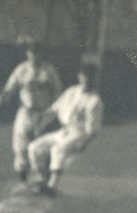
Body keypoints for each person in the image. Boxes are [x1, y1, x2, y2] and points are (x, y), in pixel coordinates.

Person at [26, 60, 103, 197]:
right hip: (64, 130)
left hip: (79, 133)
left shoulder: (94, 100)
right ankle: (41, 181)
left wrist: (84, 143)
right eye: (84, 75)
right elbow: (54, 109)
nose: (86, 79)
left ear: (94, 78)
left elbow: (93, 129)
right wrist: (41, 120)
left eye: (89, 76)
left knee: (58, 149)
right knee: (34, 147)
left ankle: (52, 186)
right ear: (80, 76)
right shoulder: (71, 92)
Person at [0, 35, 61, 183]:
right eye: (31, 51)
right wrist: (3, 96)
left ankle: (45, 178)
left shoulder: (49, 71)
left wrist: (54, 114)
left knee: (42, 147)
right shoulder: (21, 69)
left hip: (44, 112)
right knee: (21, 145)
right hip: (25, 111)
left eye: (37, 51)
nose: (34, 54)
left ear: (42, 53)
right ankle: (22, 176)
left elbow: (57, 93)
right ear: (27, 53)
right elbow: (10, 87)